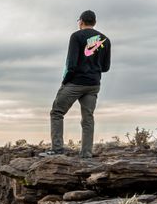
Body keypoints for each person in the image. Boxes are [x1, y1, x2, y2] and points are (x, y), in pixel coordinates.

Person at [41, 10, 111, 158]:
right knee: (88, 118)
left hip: (76, 82)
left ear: (81, 22)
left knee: (57, 112)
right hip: (94, 84)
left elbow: (71, 64)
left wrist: (65, 81)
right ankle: (86, 153)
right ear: (95, 22)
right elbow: (105, 68)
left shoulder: (76, 36)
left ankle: (57, 150)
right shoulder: (106, 39)